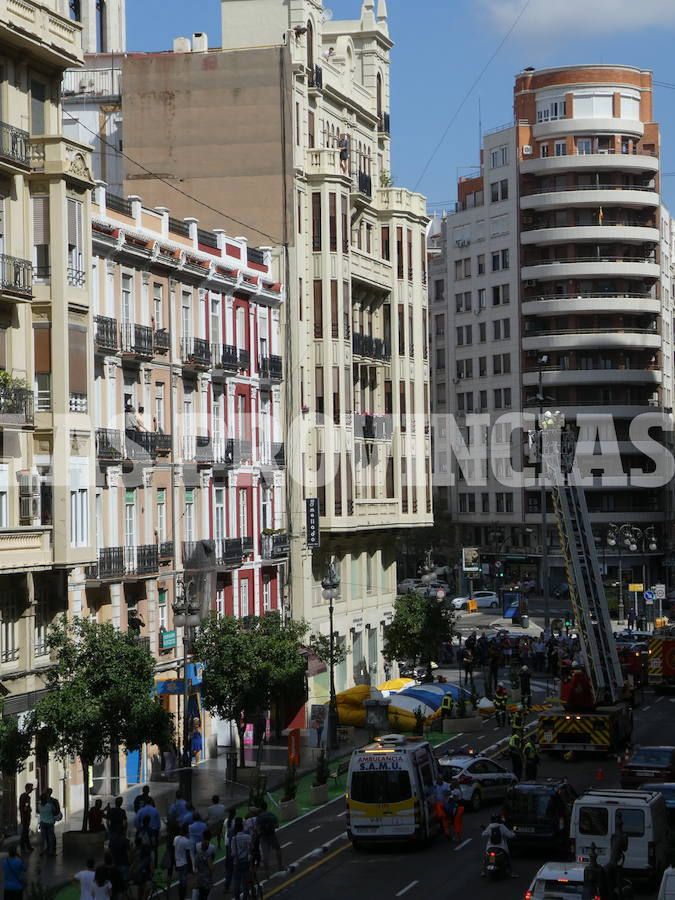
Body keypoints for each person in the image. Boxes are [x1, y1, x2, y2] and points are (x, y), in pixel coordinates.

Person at [256, 801, 283, 879]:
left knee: (265, 856)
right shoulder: (271, 815)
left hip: (263, 837)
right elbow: (277, 825)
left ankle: (267, 873)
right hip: (272, 835)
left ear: (261, 808)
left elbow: (258, 830)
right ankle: (280, 866)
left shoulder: (259, 818)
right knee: (278, 849)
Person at [231, 816, 253, 900]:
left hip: (237, 862)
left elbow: (232, 853)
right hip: (245, 861)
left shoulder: (233, 839)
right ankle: (245, 897)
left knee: (237, 882)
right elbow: (251, 848)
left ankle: (237, 898)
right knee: (245, 882)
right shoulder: (247, 837)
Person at [129, 833, 154, 900]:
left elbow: (131, 861)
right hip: (144, 872)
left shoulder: (134, 851)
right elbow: (150, 861)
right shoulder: (144, 850)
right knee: (148, 887)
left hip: (137, 873)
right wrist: (152, 872)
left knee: (140, 887)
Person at [193, 833, 216, 900]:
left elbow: (195, 866)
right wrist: (214, 866)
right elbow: (211, 867)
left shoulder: (197, 856)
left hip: (200, 878)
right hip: (207, 878)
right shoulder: (208, 856)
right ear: (207, 847)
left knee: (201, 894)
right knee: (205, 895)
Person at [173, 823, 193, 900]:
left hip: (177, 863)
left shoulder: (176, 838)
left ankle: (181, 896)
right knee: (184, 882)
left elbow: (174, 850)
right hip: (184, 863)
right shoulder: (186, 841)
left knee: (181, 881)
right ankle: (182, 897)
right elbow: (189, 854)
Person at [38, 790, 57, 856]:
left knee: (43, 838)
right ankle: (51, 851)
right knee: (50, 838)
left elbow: (39, 812)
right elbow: (54, 811)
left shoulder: (39, 806)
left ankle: (41, 851)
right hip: (50, 823)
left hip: (42, 823)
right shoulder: (50, 805)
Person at [224, 807, 237, 893]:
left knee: (229, 868)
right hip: (234, 843)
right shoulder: (235, 822)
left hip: (227, 843)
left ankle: (226, 886)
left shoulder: (226, 821)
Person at [18, 784, 33, 854]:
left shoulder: (22, 796)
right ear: (28, 788)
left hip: (24, 817)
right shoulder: (26, 797)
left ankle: (28, 846)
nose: (32, 789)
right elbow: (25, 807)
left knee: (26, 832)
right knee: (24, 832)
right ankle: (23, 846)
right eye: (31, 788)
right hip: (26, 817)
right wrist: (28, 809)